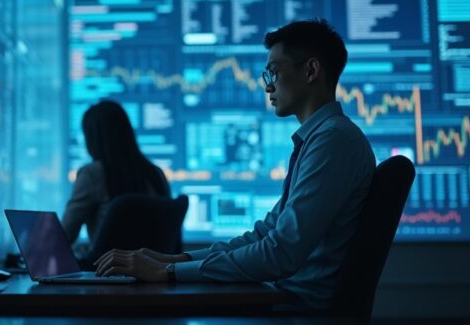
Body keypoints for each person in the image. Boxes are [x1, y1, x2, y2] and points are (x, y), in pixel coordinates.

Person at [94, 19, 376, 310]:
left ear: (311, 71)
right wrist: (176, 260)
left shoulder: (333, 141)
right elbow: (266, 234)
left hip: (300, 311)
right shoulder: (321, 139)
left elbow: (282, 253)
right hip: (286, 300)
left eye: (274, 72)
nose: (268, 86)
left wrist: (169, 272)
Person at [61, 100, 171, 245]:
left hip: (109, 261)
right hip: (152, 261)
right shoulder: (156, 174)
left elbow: (63, 237)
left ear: (92, 138)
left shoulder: (92, 174)